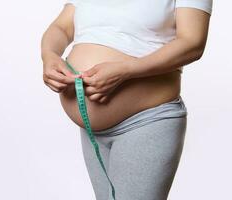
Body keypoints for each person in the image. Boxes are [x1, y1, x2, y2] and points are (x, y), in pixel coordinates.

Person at [41, 0, 212, 199]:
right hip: (93, 132)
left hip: (146, 121)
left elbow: (192, 43)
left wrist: (127, 70)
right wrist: (49, 55)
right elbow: (61, 27)